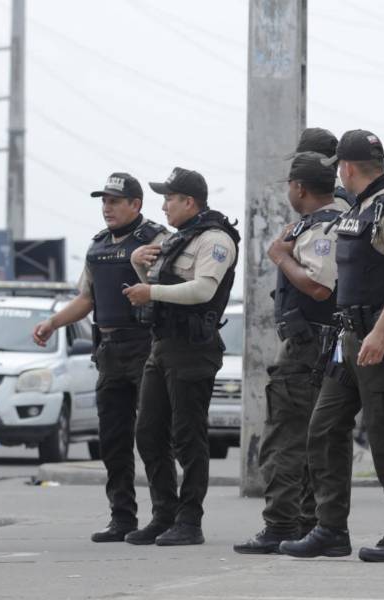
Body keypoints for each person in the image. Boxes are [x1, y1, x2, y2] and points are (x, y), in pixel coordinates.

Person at [279, 129, 384, 563]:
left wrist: (380, 331)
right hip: (349, 342)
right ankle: (330, 530)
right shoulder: (359, 209)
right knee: (324, 428)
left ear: (346, 167)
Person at [31, 173, 167, 543]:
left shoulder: (157, 239)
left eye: (114, 201)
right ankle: (122, 518)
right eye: (103, 201)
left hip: (145, 346)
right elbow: (87, 298)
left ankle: (164, 517)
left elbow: (167, 286)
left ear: (136, 204)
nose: (107, 207)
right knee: (113, 438)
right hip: (108, 350)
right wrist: (53, 323)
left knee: (152, 435)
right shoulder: (98, 246)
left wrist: (142, 266)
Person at [234, 151, 347, 554]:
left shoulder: (322, 228)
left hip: (307, 348)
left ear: (299, 188)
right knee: (314, 438)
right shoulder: (334, 221)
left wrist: (281, 256)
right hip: (322, 346)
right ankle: (307, 523)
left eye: (289, 185)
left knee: (285, 437)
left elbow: (319, 286)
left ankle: (281, 524)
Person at [121, 166, 239, 547]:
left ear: (190, 201)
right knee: (148, 432)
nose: (164, 206)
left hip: (193, 348)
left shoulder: (215, 239)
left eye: (169, 198)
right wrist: (138, 263)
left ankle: (190, 521)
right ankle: (164, 515)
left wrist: (150, 292)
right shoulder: (177, 239)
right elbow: (156, 286)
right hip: (163, 345)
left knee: (188, 436)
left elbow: (203, 290)